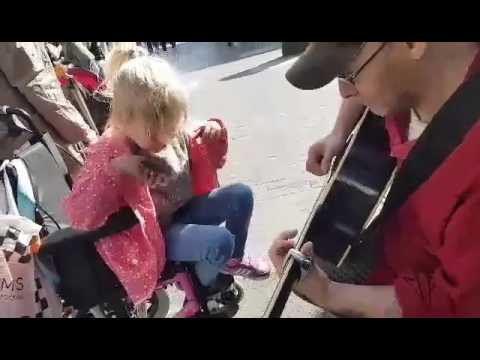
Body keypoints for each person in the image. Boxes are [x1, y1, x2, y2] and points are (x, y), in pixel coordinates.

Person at [269, 42, 480, 317]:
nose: (346, 92)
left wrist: (329, 292)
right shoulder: (411, 88)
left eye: (349, 72)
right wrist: (339, 133)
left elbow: (452, 305)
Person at [64, 56, 269, 317]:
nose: (165, 136)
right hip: (153, 238)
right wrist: (118, 168)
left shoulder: (168, 126)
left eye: (169, 126)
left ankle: (227, 264)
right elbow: (82, 213)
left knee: (241, 195)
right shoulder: (109, 150)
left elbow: (195, 133)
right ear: (125, 120)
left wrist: (213, 128)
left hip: (182, 212)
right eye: (154, 130)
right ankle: (203, 289)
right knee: (220, 240)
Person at [0, 42, 97, 177]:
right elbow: (36, 84)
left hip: (14, 149)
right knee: (79, 188)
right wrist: (83, 132)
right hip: (42, 140)